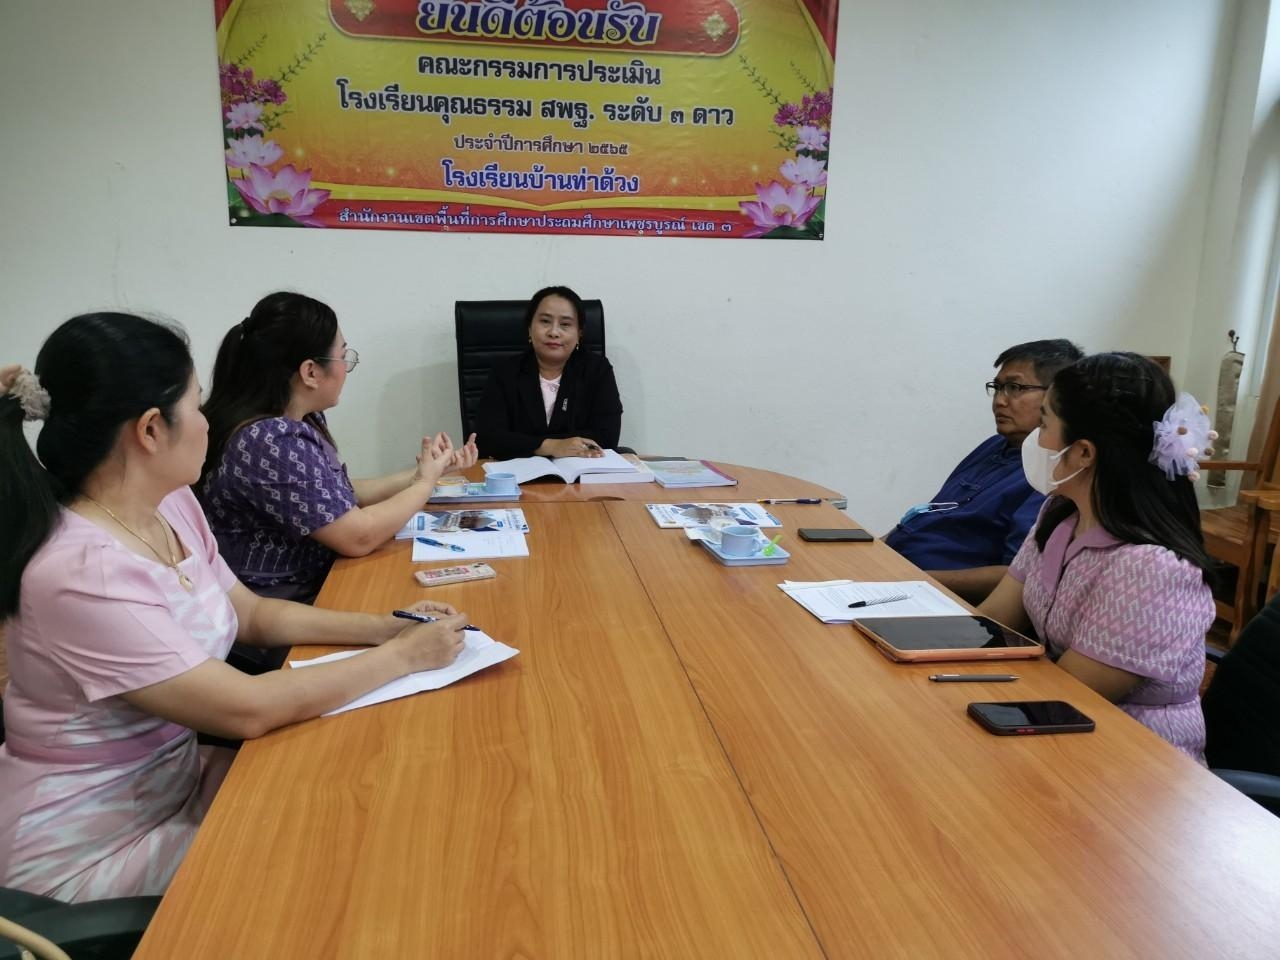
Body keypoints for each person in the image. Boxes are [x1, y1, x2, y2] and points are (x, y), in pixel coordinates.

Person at [0, 314, 468, 901]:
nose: (208, 421)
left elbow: (253, 614)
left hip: (171, 785)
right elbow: (246, 708)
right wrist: (403, 658)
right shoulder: (79, 571)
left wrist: (387, 629)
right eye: (196, 404)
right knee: (350, 854)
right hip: (86, 846)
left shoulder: (171, 505)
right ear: (151, 429)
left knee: (367, 788)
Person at [979, 352, 1215, 761]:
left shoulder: (1151, 568)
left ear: (1084, 453)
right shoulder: (1059, 513)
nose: (1036, 437)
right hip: (1054, 734)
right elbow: (993, 619)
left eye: (1045, 423)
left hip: (1130, 763)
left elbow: (1066, 696)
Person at [198, 292, 477, 604]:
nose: (346, 366)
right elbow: (359, 536)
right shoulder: (270, 441)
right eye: (342, 356)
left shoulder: (297, 420)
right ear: (310, 372)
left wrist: (426, 473)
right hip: (280, 603)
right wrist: (424, 483)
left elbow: (336, 494)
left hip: (315, 583)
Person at [884, 339, 1084, 604]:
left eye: (1015, 388)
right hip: (893, 572)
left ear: (1056, 397)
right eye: (997, 387)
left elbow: (1016, 575)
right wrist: (873, 549)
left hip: (935, 597)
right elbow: (930, 514)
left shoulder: (1051, 472)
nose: (999, 401)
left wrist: (910, 579)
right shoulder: (995, 445)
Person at [474, 285, 623, 459]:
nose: (553, 332)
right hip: (518, 473)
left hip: (581, 472)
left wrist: (523, 442)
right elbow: (486, 439)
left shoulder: (597, 369)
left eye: (565, 324)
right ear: (529, 328)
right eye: (545, 321)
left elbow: (607, 436)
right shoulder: (505, 371)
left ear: (579, 333)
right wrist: (551, 446)